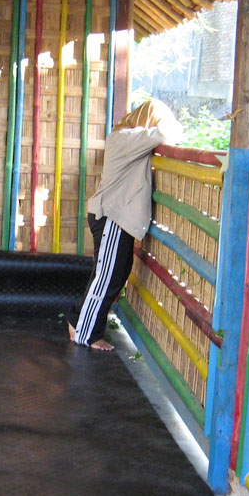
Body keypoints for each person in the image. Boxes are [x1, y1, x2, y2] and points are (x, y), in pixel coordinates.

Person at [66, 99, 183, 350]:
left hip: (115, 215)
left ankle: (77, 320)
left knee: (112, 274)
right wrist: (164, 125)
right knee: (107, 278)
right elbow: (167, 133)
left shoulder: (128, 138)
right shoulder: (125, 138)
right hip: (112, 215)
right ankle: (87, 334)